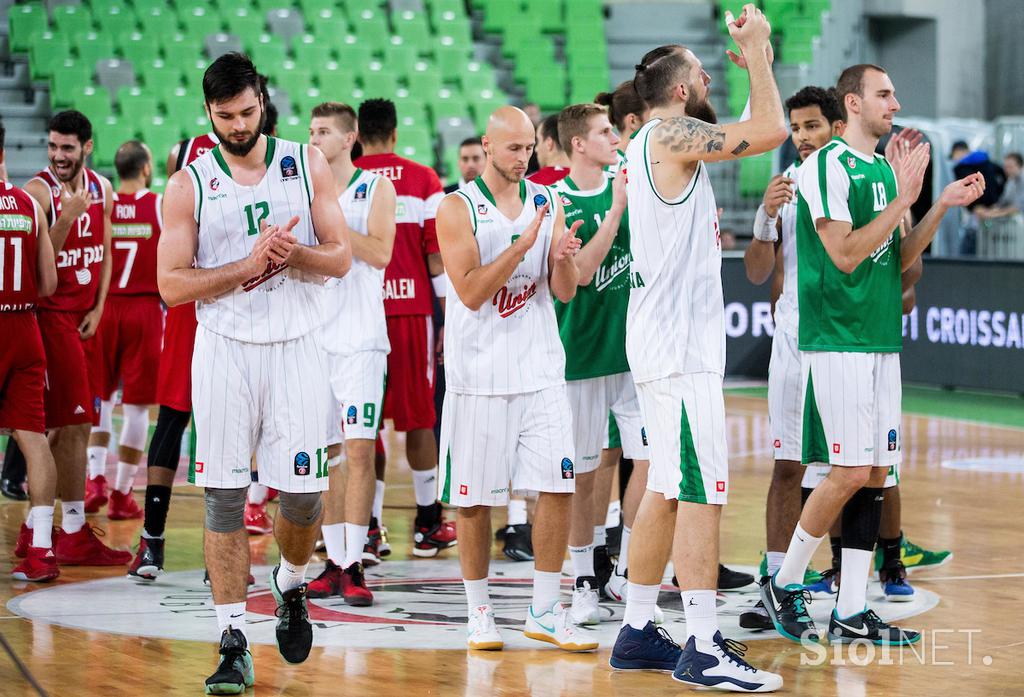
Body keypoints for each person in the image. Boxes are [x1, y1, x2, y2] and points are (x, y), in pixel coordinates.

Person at [761, 63, 984, 647]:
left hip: (880, 334)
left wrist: (938, 207)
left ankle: (853, 608)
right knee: (850, 469)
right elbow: (843, 254)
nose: (896, 101)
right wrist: (903, 198)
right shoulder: (823, 166)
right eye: (885, 93)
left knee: (877, 472)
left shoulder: (883, 170)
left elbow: (897, 256)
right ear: (853, 103)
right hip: (836, 336)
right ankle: (784, 580)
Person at [157, 52, 351, 693]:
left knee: (302, 499)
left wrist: (292, 253)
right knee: (223, 500)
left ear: (262, 101)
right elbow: (170, 286)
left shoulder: (306, 161)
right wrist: (246, 266)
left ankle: (291, 584)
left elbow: (342, 257)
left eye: (246, 112)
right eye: (224, 115)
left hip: (296, 345)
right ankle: (232, 638)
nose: (237, 125)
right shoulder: (189, 183)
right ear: (207, 111)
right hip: (224, 352)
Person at [608, 7, 786, 690]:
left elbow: (746, 127)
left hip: (664, 343)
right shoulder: (667, 136)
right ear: (680, 91)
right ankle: (704, 645)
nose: (713, 75)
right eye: (702, 73)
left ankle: (634, 627)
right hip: (679, 351)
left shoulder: (660, 139)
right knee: (703, 492)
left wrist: (752, 75)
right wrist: (761, 53)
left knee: (663, 486)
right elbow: (767, 132)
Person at [435, 104, 594, 652]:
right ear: (487, 146)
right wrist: (521, 247)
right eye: (512, 148)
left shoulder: (547, 200)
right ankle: (479, 611)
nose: (523, 157)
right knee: (475, 501)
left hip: (542, 369)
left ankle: (546, 609)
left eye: (529, 147)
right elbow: (473, 291)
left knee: (558, 487)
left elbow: (565, 290)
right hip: (479, 376)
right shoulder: (456, 208)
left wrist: (564, 258)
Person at [549, 103, 650, 627]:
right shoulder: (557, 201)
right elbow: (583, 274)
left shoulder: (633, 184)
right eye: (603, 132)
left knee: (652, 464)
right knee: (583, 476)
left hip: (635, 354)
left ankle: (629, 569)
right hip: (581, 357)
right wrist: (614, 212)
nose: (615, 137)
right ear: (578, 145)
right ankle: (584, 577)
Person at [23, 110, 130, 567]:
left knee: (71, 427)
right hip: (50, 319)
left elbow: (104, 250)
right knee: (69, 427)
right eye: (52, 146)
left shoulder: (102, 188)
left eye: (67, 147)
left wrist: (101, 305)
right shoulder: (37, 192)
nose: (58, 155)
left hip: (86, 321)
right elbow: (34, 260)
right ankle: (66, 531)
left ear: (87, 146)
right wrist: (65, 218)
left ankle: (38, 530)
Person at [355, 98, 456, 561]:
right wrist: (446, 314)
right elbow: (436, 255)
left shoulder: (347, 178)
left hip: (360, 314)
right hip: (413, 312)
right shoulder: (422, 179)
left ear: (358, 134)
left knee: (364, 421)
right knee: (419, 417)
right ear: (394, 134)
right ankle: (427, 523)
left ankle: (370, 527)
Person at [306, 101, 396, 606]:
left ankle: (353, 561)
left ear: (349, 138)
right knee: (327, 456)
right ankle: (332, 560)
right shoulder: (303, 188)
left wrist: (335, 221)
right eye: (312, 130)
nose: (314, 138)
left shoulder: (376, 188)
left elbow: (381, 252)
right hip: (315, 338)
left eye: (324, 131)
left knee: (360, 450)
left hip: (360, 339)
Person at [84, 141, 162, 522]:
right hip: (145, 310)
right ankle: (122, 492)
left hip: (105, 306)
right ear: (145, 168)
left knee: (100, 400)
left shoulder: (105, 206)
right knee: (136, 409)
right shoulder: (159, 205)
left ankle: (95, 478)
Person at [2, 120, 61, 581]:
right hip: (25, 325)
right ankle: (42, 549)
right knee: (34, 439)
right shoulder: (28, 204)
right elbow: (48, 283)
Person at [976, 152, 1024, 220]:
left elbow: (1019, 207)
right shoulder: (1011, 181)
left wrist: (994, 214)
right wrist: (988, 210)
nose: (1007, 170)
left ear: (1021, 166)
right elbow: (1003, 202)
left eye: (1010, 167)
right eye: (1006, 167)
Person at [528, 113, 570, 186]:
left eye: (538, 141)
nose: (536, 149)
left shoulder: (528, 186)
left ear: (549, 143)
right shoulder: (590, 182)